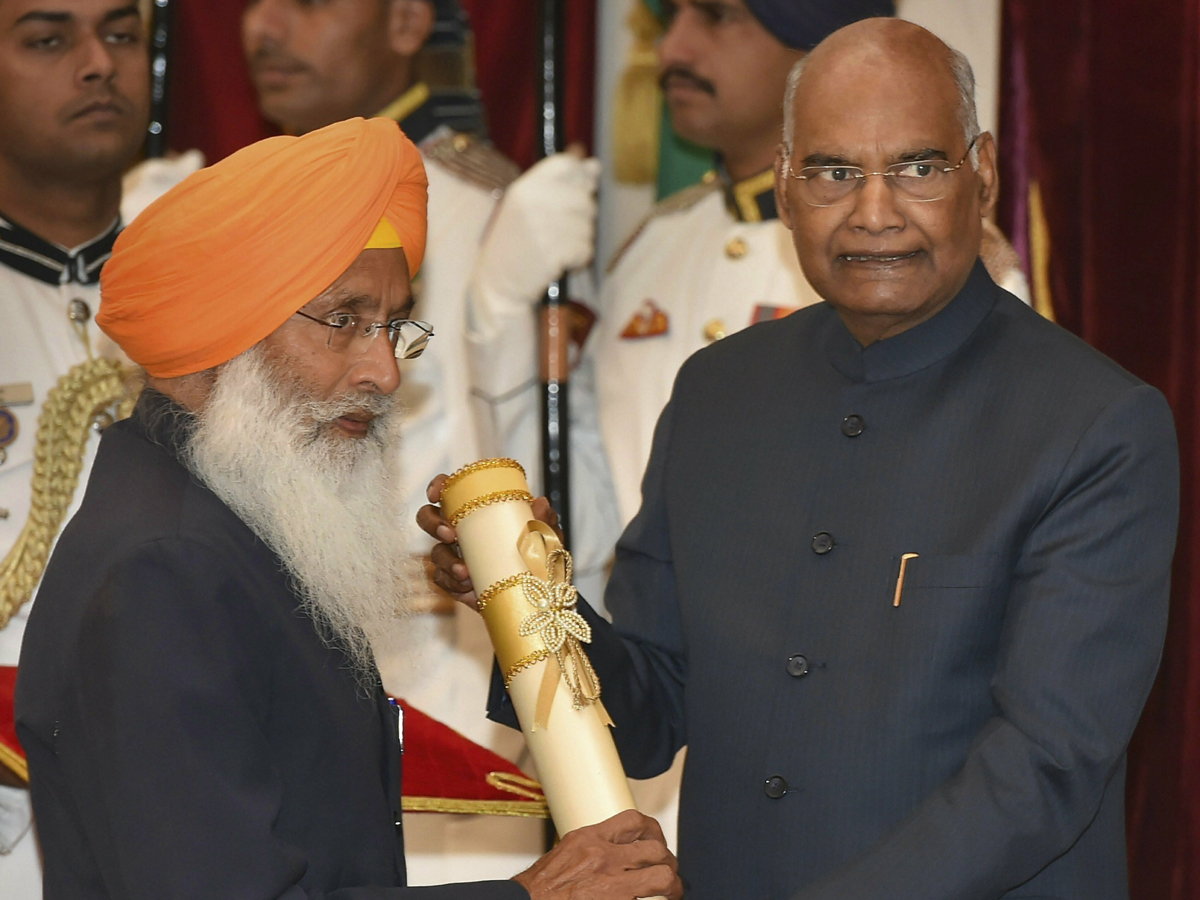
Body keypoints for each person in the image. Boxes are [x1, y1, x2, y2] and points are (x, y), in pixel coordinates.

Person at [421, 19, 1179, 899]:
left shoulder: (1095, 425)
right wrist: (521, 602)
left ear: (983, 171)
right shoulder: (716, 391)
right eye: (832, 171)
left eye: (918, 168)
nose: (874, 211)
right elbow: (652, 706)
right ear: (784, 185)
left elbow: (1044, 768)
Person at [14, 117, 681, 900]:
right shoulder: (166, 567)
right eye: (344, 322)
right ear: (222, 325)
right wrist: (533, 897)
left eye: (395, 325)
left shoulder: (240, 521)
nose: (385, 371)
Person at [240, 0, 615, 878]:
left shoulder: (492, 209)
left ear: (408, 20)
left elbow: (564, 518)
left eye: (306, 4)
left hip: (441, 692)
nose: (263, 28)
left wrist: (499, 321)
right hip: (258, 683)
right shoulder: (238, 212)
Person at [0, 1, 197, 894]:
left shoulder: (216, 302)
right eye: (48, 40)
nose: (97, 64)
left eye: (123, 36)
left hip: (189, 790)